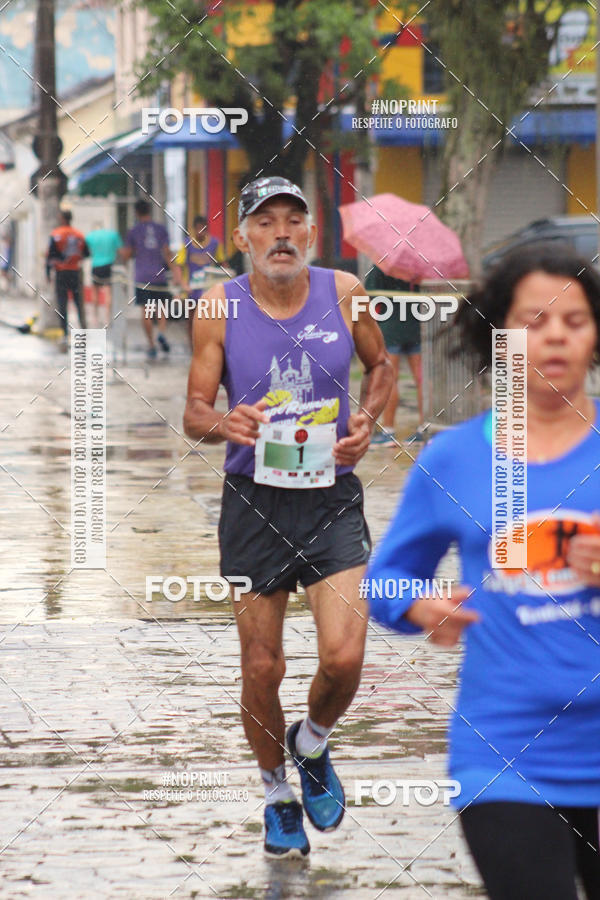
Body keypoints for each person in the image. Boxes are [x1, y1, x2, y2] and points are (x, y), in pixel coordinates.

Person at [366, 242, 600, 900]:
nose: (554, 336)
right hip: (505, 758)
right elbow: (383, 580)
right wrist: (418, 606)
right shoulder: (453, 459)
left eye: (574, 321)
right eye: (533, 321)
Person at [183, 176, 393, 858]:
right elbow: (193, 414)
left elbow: (381, 367)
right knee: (261, 668)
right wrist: (227, 422)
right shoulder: (219, 306)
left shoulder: (345, 292)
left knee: (345, 654)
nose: (280, 233)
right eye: (264, 222)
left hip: (331, 497)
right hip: (254, 504)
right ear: (242, 237)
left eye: (292, 222)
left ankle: (311, 743)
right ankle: (276, 792)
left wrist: (368, 420)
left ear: (310, 234)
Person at [364, 265, 423, 447]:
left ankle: (388, 431)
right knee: (420, 379)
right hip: (415, 326)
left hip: (390, 328)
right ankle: (424, 429)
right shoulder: (416, 266)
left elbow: (370, 298)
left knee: (390, 379)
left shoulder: (381, 267)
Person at [120, 199, 172, 359]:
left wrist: (122, 253)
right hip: (159, 274)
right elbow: (167, 253)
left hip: (142, 277)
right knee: (161, 308)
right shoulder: (161, 229)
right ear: (149, 211)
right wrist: (176, 272)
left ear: (136, 212)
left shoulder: (133, 231)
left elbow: (128, 254)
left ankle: (151, 345)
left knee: (147, 311)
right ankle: (161, 333)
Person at [173, 214, 224, 345]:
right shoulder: (186, 244)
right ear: (194, 229)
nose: (200, 232)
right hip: (191, 290)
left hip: (208, 289)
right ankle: (193, 347)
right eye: (198, 228)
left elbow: (223, 264)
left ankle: (207, 345)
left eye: (203, 229)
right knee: (191, 319)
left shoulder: (214, 244)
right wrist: (183, 285)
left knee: (208, 319)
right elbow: (178, 266)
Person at [46, 209, 89, 347]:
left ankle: (65, 334)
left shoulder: (56, 234)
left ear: (62, 219)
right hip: (75, 272)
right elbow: (87, 253)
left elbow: (50, 256)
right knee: (78, 302)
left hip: (61, 273)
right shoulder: (79, 235)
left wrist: (48, 273)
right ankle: (83, 331)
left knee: (62, 303)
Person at [85, 221, 123, 327]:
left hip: (96, 265)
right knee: (108, 292)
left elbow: (86, 251)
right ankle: (107, 318)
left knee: (95, 292)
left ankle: (95, 318)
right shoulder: (112, 234)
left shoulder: (90, 236)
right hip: (108, 265)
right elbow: (120, 250)